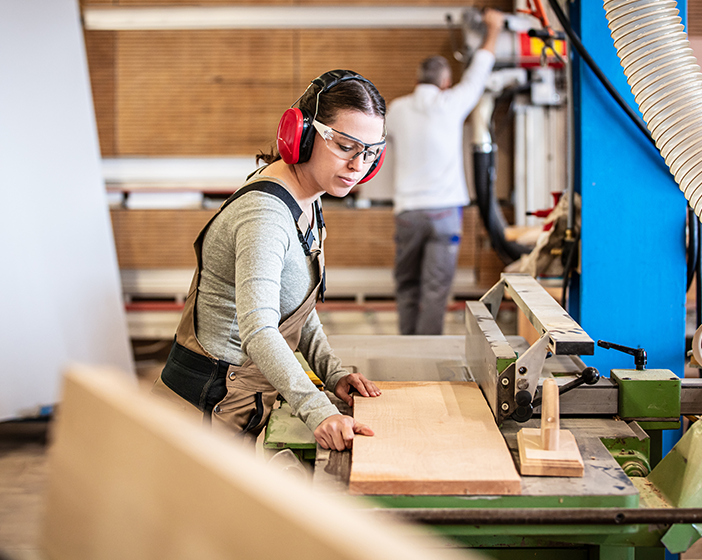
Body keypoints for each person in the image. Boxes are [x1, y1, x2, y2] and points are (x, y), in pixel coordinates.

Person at [150, 70, 385, 451]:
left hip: (233, 401)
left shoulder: (309, 195)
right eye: (345, 146)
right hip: (200, 411)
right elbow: (259, 328)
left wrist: (332, 372)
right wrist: (318, 409)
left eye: (371, 152)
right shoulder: (266, 216)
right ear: (304, 136)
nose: (359, 165)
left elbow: (292, 304)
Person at [387, 9, 504, 335]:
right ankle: (427, 356)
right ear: (445, 81)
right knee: (436, 291)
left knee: (407, 285)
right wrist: (493, 29)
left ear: (417, 81)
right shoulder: (452, 102)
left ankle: (407, 351)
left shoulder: (396, 110)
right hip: (445, 214)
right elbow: (480, 69)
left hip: (408, 213)